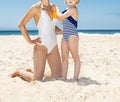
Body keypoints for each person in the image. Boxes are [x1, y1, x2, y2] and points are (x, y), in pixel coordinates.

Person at [11, 0, 62, 82]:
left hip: (53, 45)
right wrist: (30, 41)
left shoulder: (54, 7)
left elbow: (52, 24)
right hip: (41, 46)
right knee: (37, 80)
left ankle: (34, 71)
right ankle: (20, 71)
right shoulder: (36, 8)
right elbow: (21, 25)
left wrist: (60, 30)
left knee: (59, 76)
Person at [57, 0, 81, 80]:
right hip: (65, 35)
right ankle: (64, 77)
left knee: (75, 57)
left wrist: (56, 9)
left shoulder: (73, 9)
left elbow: (60, 17)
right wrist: (57, 14)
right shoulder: (65, 11)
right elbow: (61, 21)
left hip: (72, 35)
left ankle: (75, 78)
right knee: (64, 58)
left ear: (77, 1)